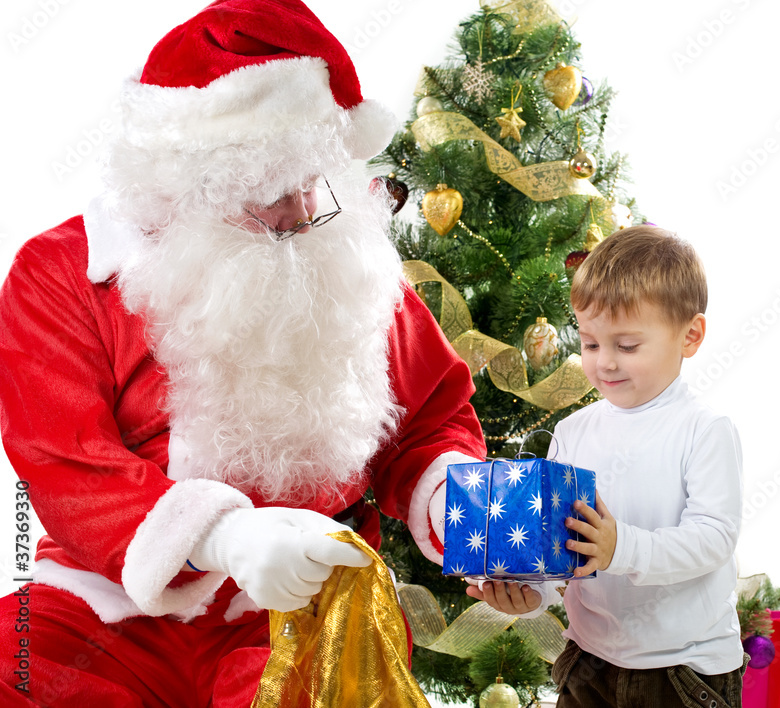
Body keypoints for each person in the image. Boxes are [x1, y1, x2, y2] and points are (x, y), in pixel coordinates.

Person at [0, 0, 485, 705]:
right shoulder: (62, 273)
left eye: (310, 182)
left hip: (308, 597)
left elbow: (431, 420)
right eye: (267, 192)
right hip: (106, 599)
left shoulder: (342, 261)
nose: (300, 212)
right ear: (184, 189)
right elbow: (64, 462)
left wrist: (468, 519)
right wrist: (222, 538)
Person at [469, 225, 746, 708]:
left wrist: (623, 547)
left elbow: (714, 538)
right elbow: (559, 547)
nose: (605, 363)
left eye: (628, 346)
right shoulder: (573, 432)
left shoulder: (705, 429)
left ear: (691, 336)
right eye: (592, 344)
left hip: (681, 671)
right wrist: (532, 594)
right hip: (588, 663)